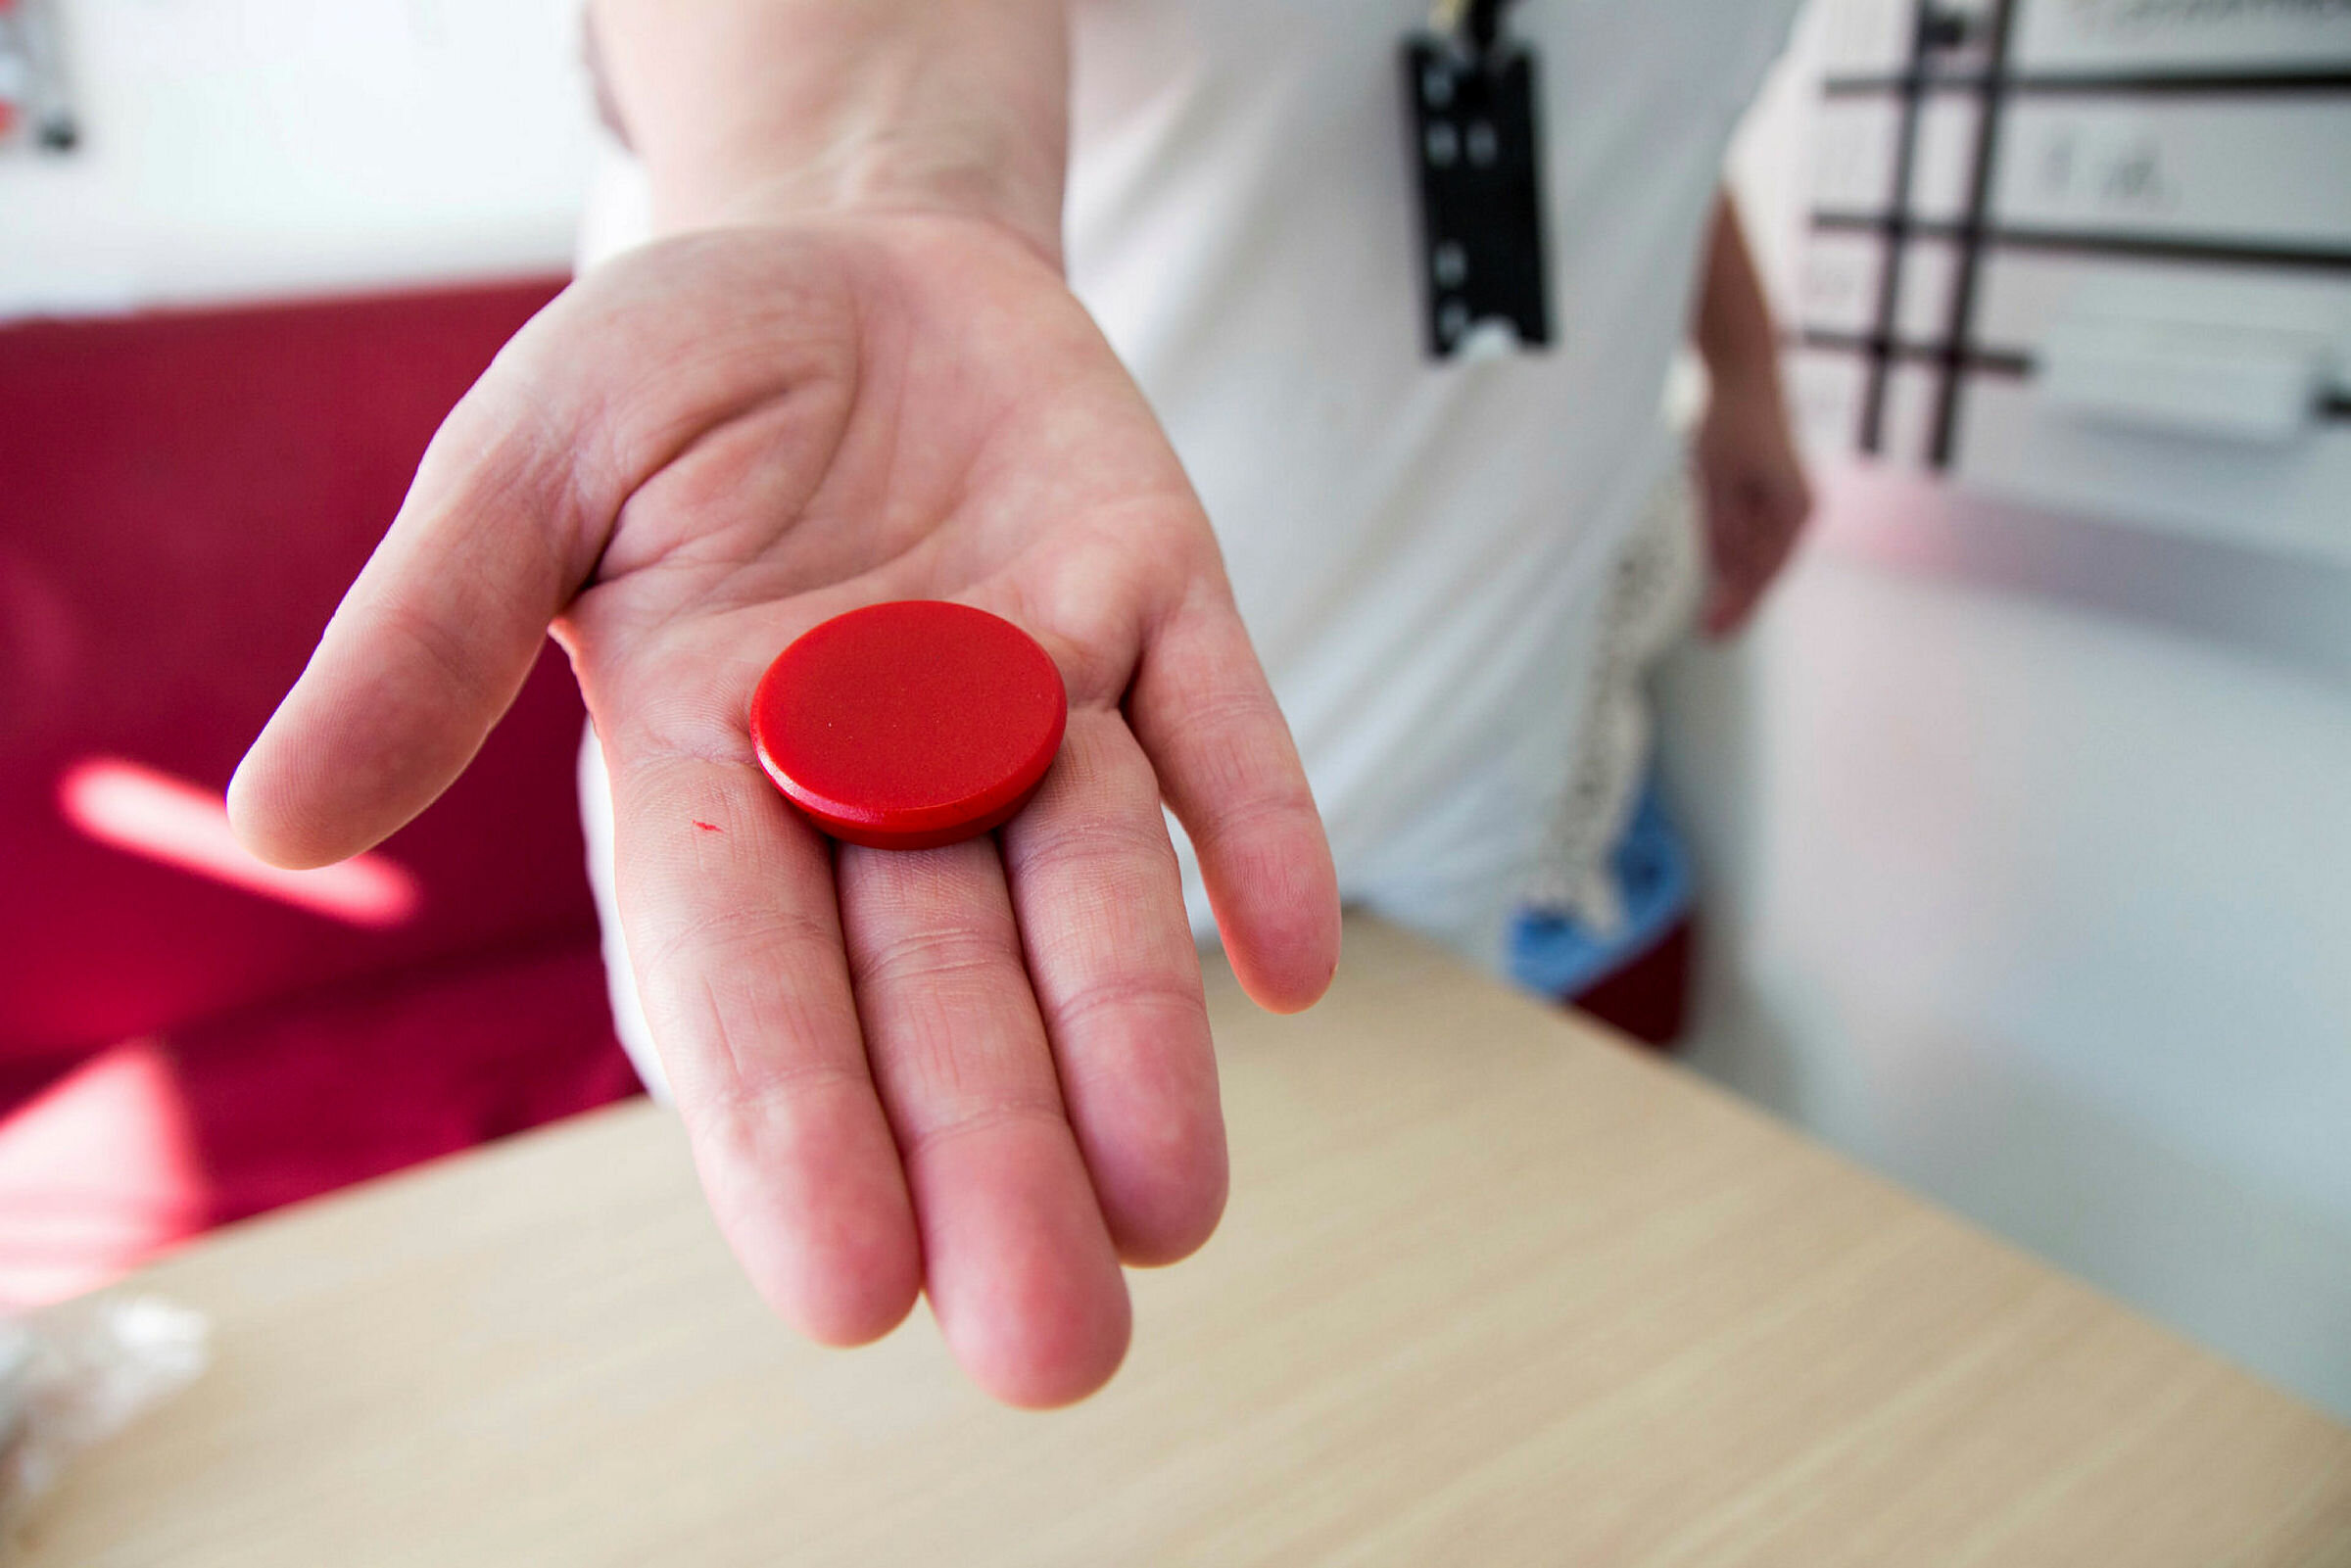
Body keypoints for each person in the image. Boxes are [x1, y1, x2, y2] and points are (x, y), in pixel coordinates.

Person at [229, 0, 1805, 1409]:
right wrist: (866, 194)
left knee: (1369, 1378)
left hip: (1472, 718)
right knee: (947, 1384)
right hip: (935, 655)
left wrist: (1744, 360)